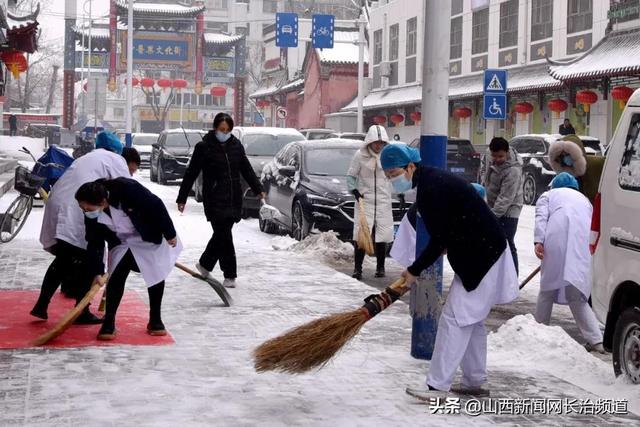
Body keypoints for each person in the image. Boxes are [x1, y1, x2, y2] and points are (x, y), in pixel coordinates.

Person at [379, 144, 519, 399]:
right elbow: (448, 233)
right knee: (471, 320)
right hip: (486, 253)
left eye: (394, 173)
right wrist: (421, 265)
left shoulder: (431, 189)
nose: (392, 180)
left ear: (411, 166)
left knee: (454, 320)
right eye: (388, 176)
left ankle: (437, 386)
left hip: (482, 258)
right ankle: (474, 380)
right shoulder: (433, 180)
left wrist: (413, 271)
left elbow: (439, 239)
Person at [31, 132, 130, 323]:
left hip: (61, 202)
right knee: (86, 258)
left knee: (66, 257)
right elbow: (126, 188)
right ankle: (81, 311)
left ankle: (42, 304)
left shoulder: (89, 157)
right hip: (78, 208)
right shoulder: (115, 159)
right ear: (117, 150)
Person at [77, 178, 181, 340]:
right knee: (117, 273)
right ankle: (109, 322)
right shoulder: (91, 213)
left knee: (155, 273)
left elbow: (156, 206)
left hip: (146, 235)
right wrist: (97, 271)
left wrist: (170, 233)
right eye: (82, 207)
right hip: (120, 241)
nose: (85, 210)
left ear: (103, 201)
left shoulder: (127, 189)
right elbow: (94, 241)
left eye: (87, 207)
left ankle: (155, 319)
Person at [176, 113, 265, 288]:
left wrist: (258, 189)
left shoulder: (236, 146)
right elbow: (191, 173)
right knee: (223, 233)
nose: (224, 133)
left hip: (233, 197)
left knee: (224, 235)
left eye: (228, 130)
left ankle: (208, 266)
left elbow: (246, 168)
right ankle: (227, 273)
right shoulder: (204, 147)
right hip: (214, 198)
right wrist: (182, 197)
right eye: (221, 129)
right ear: (215, 128)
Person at [533, 172, 604, 353]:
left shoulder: (548, 195)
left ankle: (538, 332)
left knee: (547, 289)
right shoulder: (584, 199)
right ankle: (596, 340)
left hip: (556, 236)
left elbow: (541, 216)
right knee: (577, 294)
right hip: (582, 241)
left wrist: (538, 241)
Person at [347, 125, 394, 279]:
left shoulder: (389, 156)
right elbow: (351, 176)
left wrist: (399, 194)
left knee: (382, 235)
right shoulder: (359, 156)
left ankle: (381, 267)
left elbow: (395, 175)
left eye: (381, 143)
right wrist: (354, 190)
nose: (378, 146)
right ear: (369, 142)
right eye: (376, 142)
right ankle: (357, 269)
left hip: (383, 201)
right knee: (362, 235)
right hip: (364, 201)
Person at [481, 137, 523, 274]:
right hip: (493, 206)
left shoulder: (513, 171)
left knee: (506, 242)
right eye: (494, 155)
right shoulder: (488, 156)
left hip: (510, 210)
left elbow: (506, 198)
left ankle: (512, 278)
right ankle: (497, 277)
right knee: (493, 243)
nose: (497, 159)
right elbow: (484, 174)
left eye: (501, 156)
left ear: (507, 153)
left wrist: (491, 216)